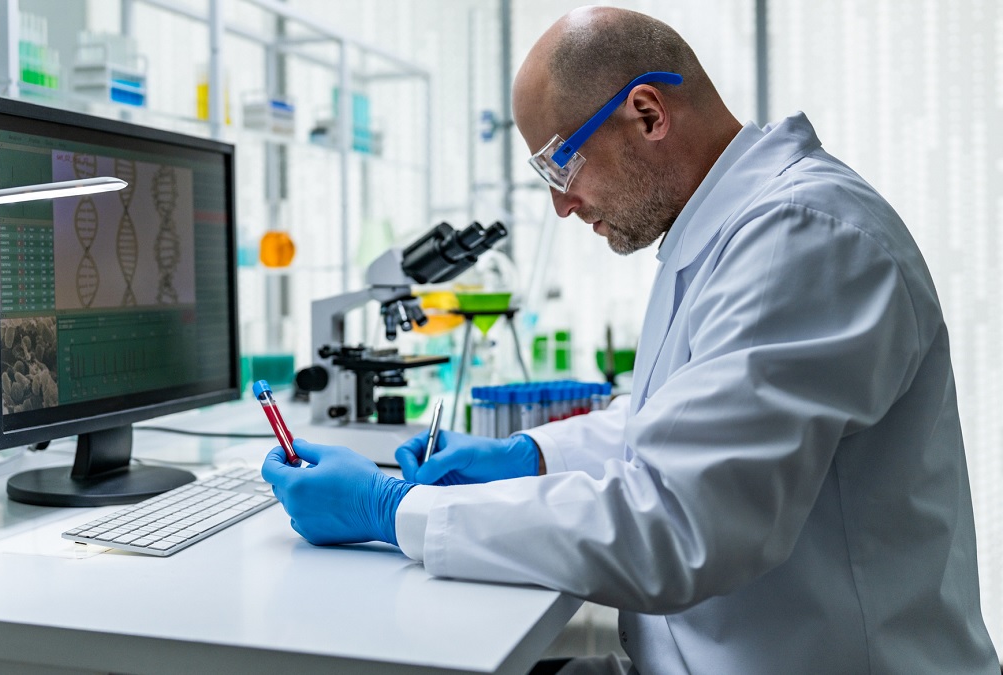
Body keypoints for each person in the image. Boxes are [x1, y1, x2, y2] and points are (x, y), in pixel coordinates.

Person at [261, 6, 1000, 673]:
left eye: (560, 163)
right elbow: (673, 426)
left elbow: (676, 524)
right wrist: (529, 454)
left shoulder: (804, 239)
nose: (561, 203)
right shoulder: (729, 232)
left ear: (646, 114)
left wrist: (394, 512)